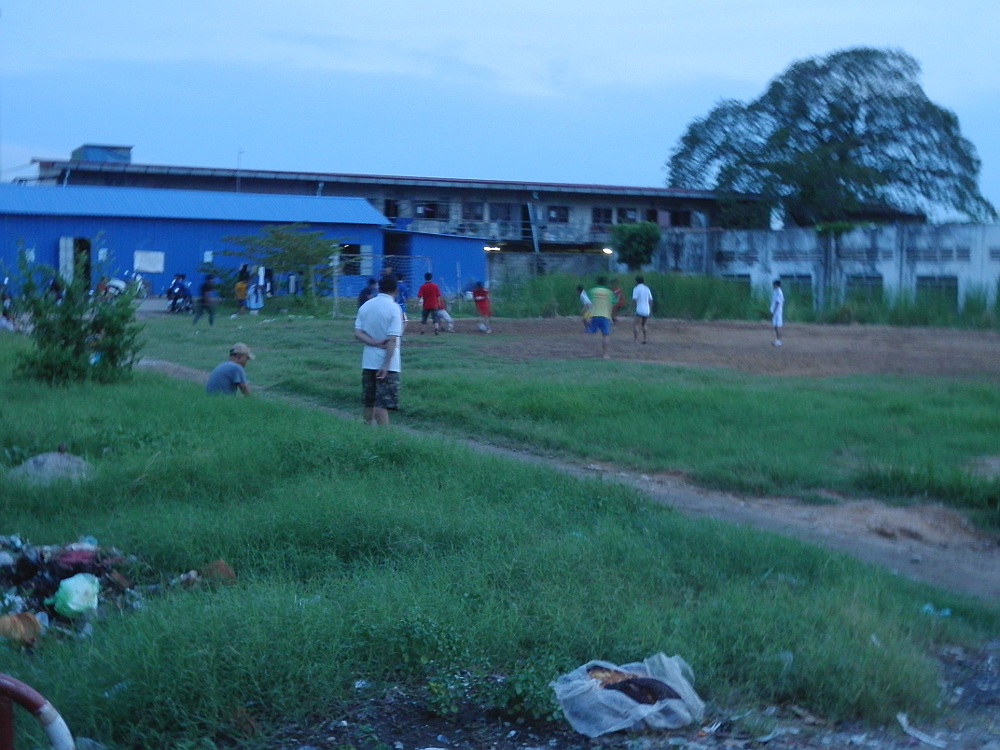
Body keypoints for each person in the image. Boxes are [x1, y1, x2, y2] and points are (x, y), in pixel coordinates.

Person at [354, 275, 402, 426]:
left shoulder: (366, 306)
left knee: (369, 401)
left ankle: (367, 431)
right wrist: (386, 365)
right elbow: (392, 339)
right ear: (396, 290)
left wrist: (374, 342)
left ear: (379, 287)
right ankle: (383, 438)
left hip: (368, 361)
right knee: (382, 403)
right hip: (388, 363)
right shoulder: (395, 308)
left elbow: (358, 333)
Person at [587, 277, 614, 359]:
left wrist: (587, 316)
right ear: (605, 283)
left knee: (590, 334)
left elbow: (588, 304)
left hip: (594, 315)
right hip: (605, 316)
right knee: (606, 335)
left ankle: (590, 352)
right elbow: (612, 305)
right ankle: (605, 354)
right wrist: (611, 317)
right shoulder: (609, 292)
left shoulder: (591, 291)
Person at [631, 276, 653, 344]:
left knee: (636, 324)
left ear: (636, 281)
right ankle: (645, 339)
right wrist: (650, 309)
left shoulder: (636, 289)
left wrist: (631, 308)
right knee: (643, 324)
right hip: (647, 309)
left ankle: (636, 340)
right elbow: (651, 300)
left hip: (640, 309)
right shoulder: (647, 288)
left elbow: (634, 299)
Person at [771, 279, 784, 347]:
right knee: (775, 326)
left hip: (777, 312)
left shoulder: (779, 292)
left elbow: (778, 303)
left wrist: (774, 311)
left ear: (776, 284)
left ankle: (779, 341)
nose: (772, 285)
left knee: (778, 326)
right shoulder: (775, 292)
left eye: (773, 284)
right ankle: (777, 340)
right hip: (775, 311)